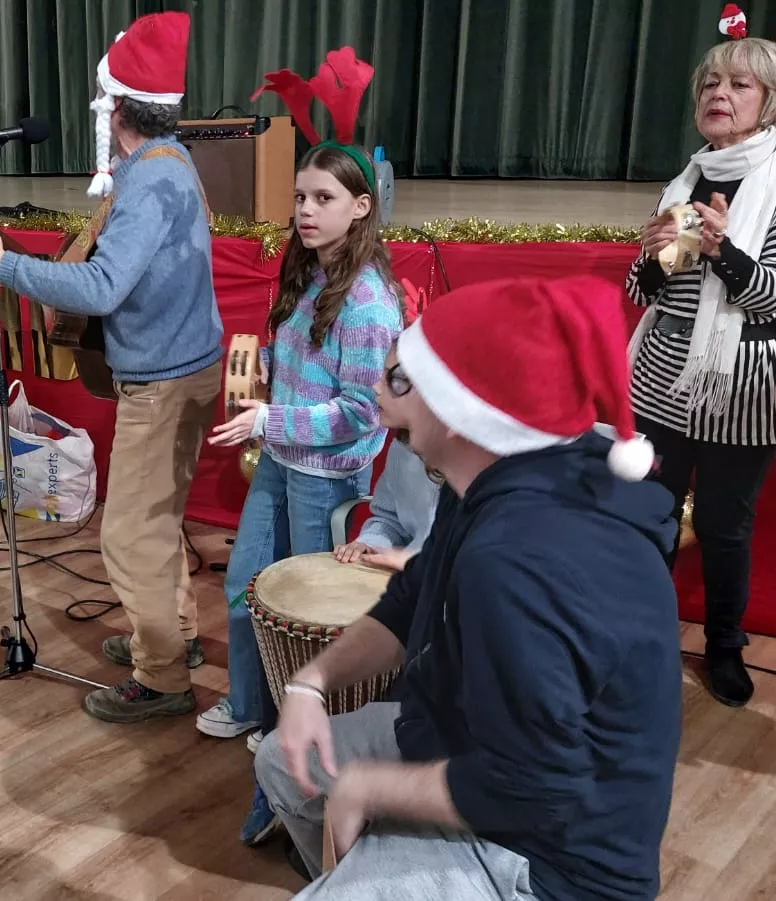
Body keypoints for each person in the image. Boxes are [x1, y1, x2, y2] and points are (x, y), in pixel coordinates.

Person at [254, 276, 682, 901]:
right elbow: (410, 598)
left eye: (401, 379)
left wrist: (368, 787)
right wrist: (310, 683)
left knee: (341, 794)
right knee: (283, 762)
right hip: (469, 747)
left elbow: (532, 786)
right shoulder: (491, 476)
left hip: (551, 860)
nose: (378, 390)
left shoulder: (517, 558)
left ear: (462, 410)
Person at [0, 11, 225, 723]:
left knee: (128, 534)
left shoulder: (149, 181)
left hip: (164, 382)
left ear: (116, 108)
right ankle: (171, 637)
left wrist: (4, 264)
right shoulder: (167, 162)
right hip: (182, 370)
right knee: (156, 521)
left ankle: (162, 677)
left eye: (101, 99)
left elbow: (103, 288)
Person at [626, 37, 776, 708]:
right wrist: (655, 255)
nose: (719, 93)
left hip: (743, 379)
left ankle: (724, 646)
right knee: (649, 516)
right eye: (711, 82)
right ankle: (644, 639)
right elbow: (643, 290)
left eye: (739, 85)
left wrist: (723, 249)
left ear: (775, 103)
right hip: (661, 374)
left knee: (722, 524)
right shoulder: (686, 179)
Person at [202, 145, 402, 745]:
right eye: (299, 197)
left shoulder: (368, 301)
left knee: (306, 611)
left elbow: (363, 411)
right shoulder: (311, 271)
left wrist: (270, 419)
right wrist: (260, 363)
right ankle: (249, 705)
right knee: (246, 584)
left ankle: (300, 725)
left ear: (361, 207)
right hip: (282, 459)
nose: (306, 210)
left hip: (327, 475)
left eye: (323, 198)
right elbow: (302, 354)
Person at [331, 440, 439, 573]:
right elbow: (389, 519)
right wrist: (370, 542)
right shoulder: (402, 447)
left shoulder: (461, 462)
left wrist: (415, 560)